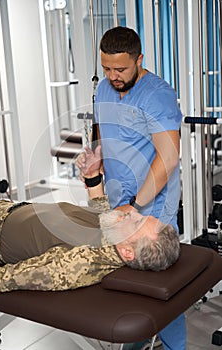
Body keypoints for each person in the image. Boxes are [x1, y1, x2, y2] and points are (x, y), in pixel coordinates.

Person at [76, 26, 185, 350]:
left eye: (121, 68)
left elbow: (167, 158)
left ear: (139, 59)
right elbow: (102, 124)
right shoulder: (106, 88)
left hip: (152, 205)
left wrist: (136, 207)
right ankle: (134, 343)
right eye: (106, 68)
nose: (113, 75)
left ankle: (175, 348)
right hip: (118, 198)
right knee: (127, 279)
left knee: (161, 283)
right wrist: (97, 156)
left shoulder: (157, 95)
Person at [0, 195, 180, 295]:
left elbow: (5, 279)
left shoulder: (81, 262)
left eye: (137, 223)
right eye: (141, 216)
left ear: (128, 252)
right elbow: (100, 212)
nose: (133, 213)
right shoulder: (114, 231)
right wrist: (91, 178)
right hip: (2, 208)